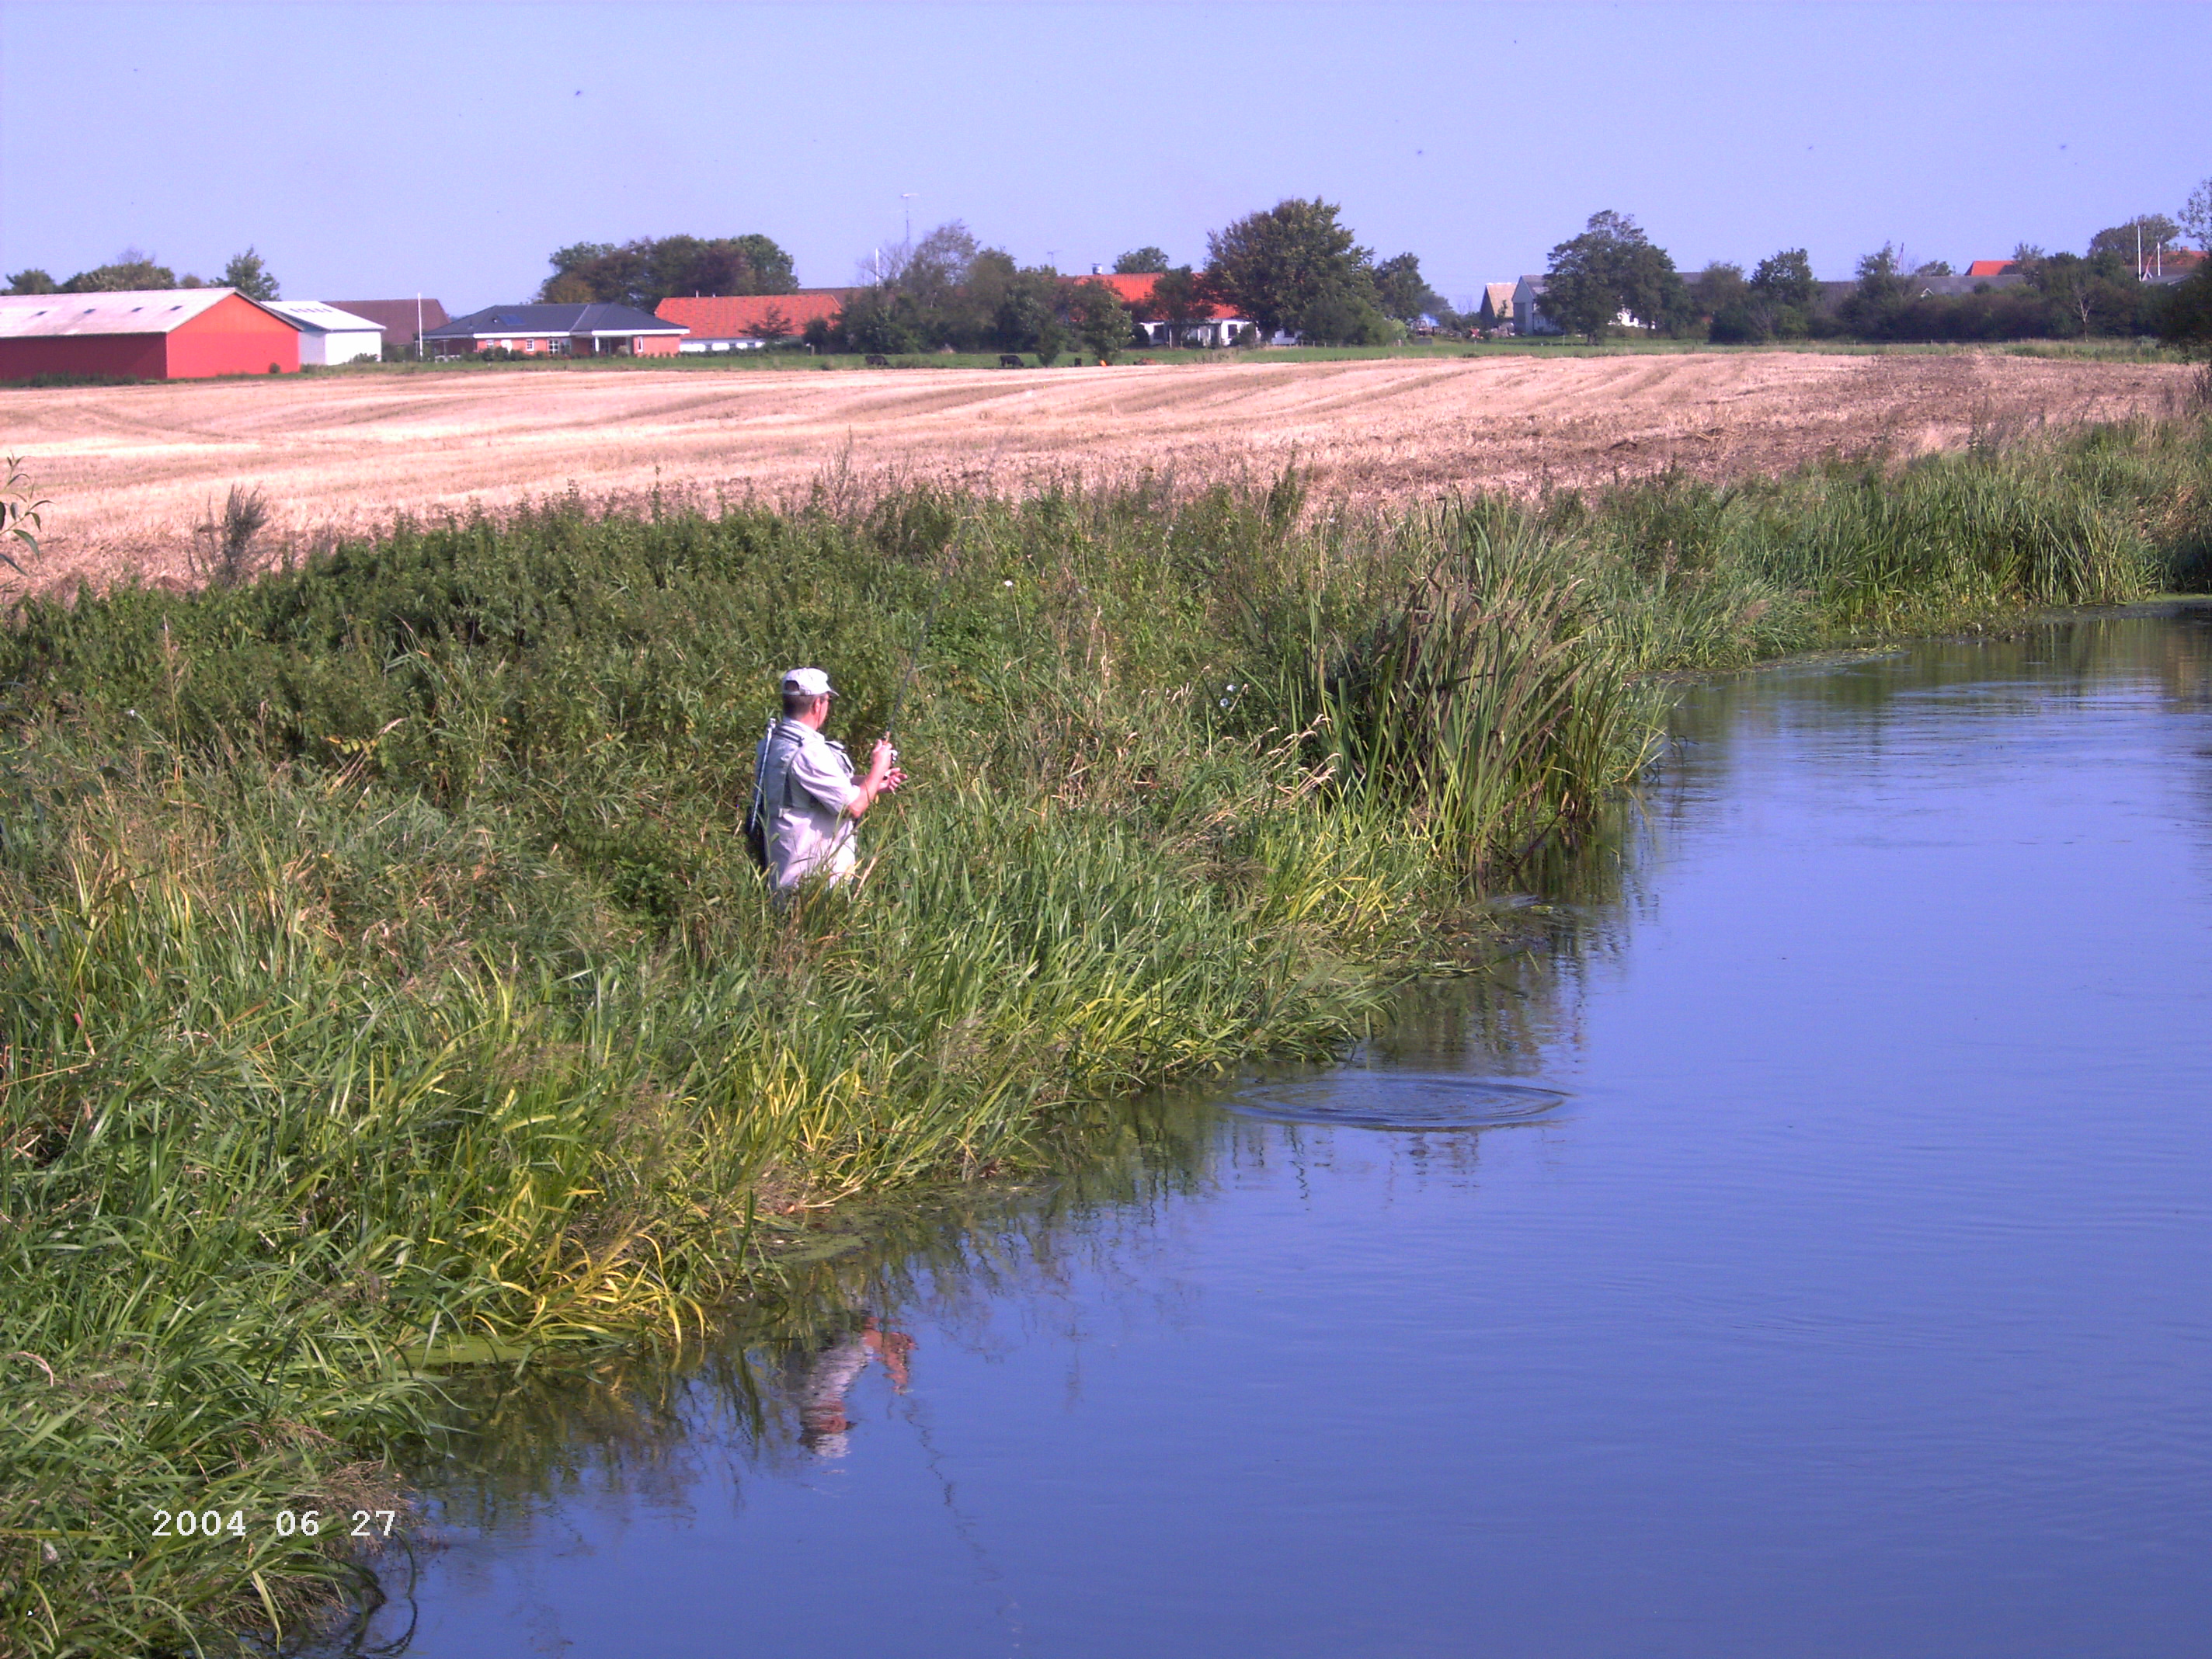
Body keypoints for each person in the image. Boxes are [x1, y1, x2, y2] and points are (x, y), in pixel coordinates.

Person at [754, 666, 904, 893]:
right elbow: (853, 807)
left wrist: (872, 783)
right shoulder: (808, 751)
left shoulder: (773, 741)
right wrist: (879, 766)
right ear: (817, 704)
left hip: (785, 870)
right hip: (811, 880)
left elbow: (812, 788)